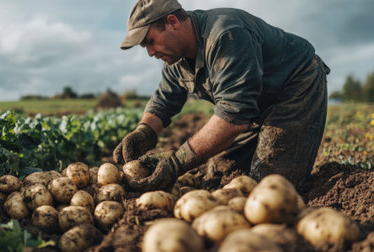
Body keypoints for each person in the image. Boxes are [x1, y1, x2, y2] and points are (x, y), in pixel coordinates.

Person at [114, 0, 330, 191]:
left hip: (294, 86)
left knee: (270, 187)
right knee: (221, 171)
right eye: (145, 47)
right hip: (256, 105)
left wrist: (175, 164)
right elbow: (164, 99)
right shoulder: (175, 58)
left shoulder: (225, 34)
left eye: (150, 41)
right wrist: (144, 131)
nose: (150, 52)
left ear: (172, 22)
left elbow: (233, 115)